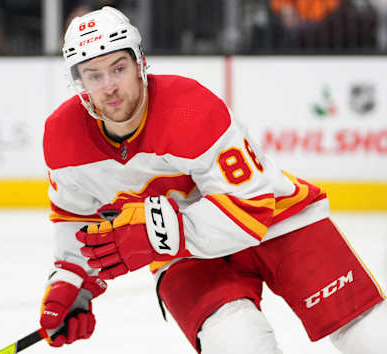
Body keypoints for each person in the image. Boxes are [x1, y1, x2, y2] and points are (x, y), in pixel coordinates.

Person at [39, 6, 386, 353]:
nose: (110, 86)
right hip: (186, 256)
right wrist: (71, 282)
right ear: (79, 82)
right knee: (239, 344)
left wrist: (156, 234)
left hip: (278, 222)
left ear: (139, 64)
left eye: (118, 68)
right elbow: (77, 216)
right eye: (94, 75)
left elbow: (250, 208)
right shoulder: (62, 137)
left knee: (369, 335)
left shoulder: (189, 108)